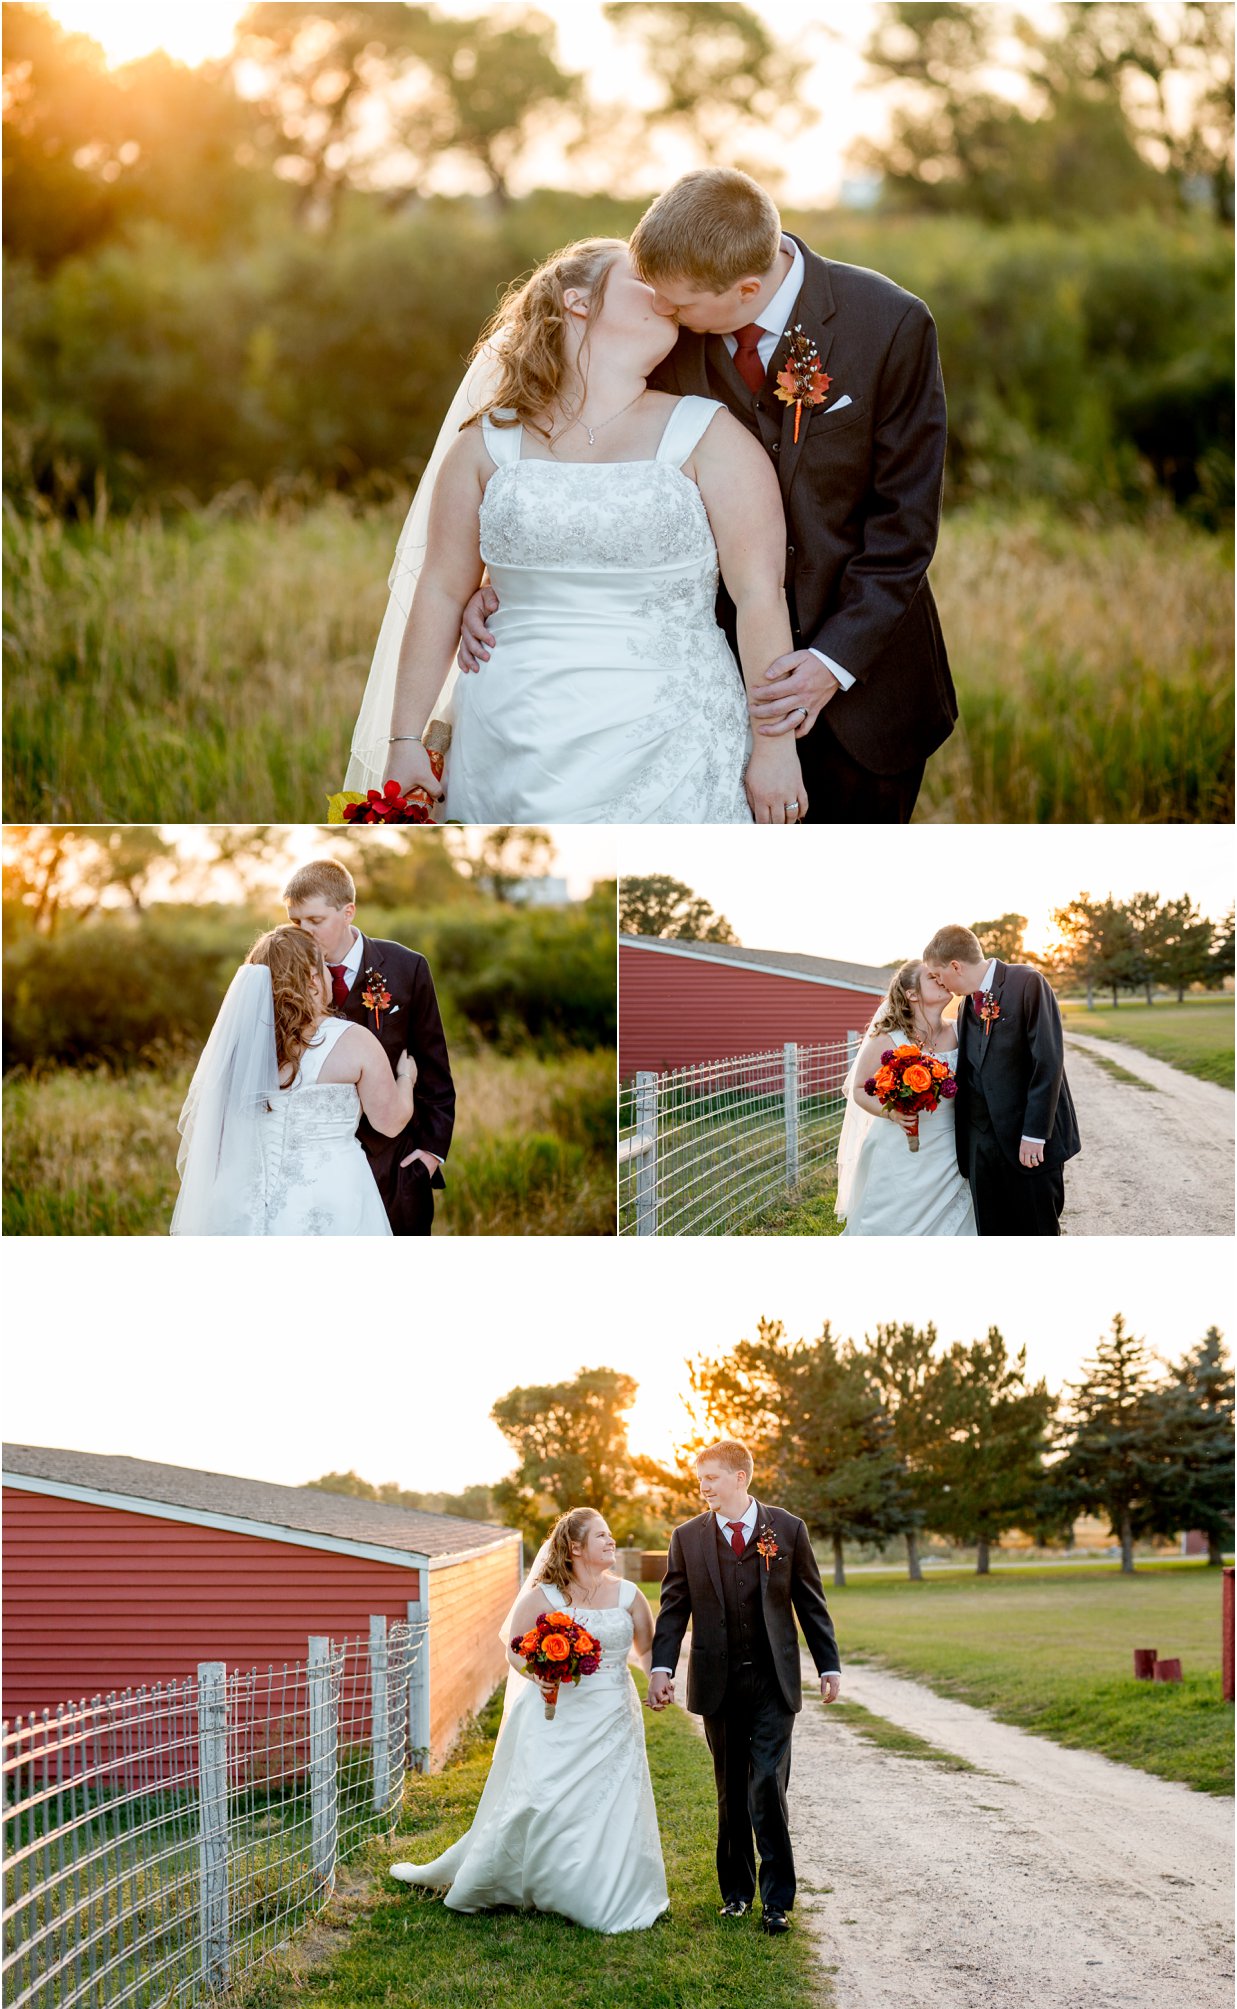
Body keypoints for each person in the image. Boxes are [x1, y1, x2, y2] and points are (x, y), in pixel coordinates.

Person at [462, 170, 956, 826]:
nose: (660, 311)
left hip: (867, 693)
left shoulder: (890, 324)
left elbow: (903, 528)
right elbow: (589, 459)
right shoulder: (666, 337)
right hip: (709, 695)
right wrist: (509, 582)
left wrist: (831, 662)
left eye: (677, 303)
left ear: (745, 290)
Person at [348, 237, 807, 826]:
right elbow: (439, 590)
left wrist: (774, 747)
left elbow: (760, 598)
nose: (664, 294)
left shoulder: (709, 435)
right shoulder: (485, 444)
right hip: (508, 733)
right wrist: (405, 739)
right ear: (579, 302)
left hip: (675, 739)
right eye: (643, 279)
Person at [389, 1509, 668, 1933]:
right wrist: (539, 1674)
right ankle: (531, 1878)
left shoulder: (630, 1595)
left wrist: (656, 1681)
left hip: (614, 1715)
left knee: (611, 1801)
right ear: (575, 1547)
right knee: (541, 1799)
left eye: (611, 1536)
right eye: (602, 1536)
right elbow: (516, 1651)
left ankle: (601, 1887)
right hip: (556, 1716)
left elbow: (646, 1652)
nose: (612, 1542)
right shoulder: (544, 1598)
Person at [648, 1443, 840, 1936]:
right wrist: (662, 1668)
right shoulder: (687, 1537)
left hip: (773, 1682)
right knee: (730, 1790)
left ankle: (777, 1901)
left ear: (740, 1477)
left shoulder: (788, 1529)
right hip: (718, 1683)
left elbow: (810, 1603)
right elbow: (673, 1609)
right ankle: (736, 1894)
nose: (703, 1486)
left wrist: (828, 1665)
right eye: (700, 1479)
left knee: (767, 1785)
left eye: (712, 1477)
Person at [170, 926, 412, 1236]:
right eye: (324, 966)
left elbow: (216, 1139)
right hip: (331, 1200)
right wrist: (405, 1077)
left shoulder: (239, 1049)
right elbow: (389, 1122)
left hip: (243, 1204)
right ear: (312, 981)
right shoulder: (354, 1041)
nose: (328, 974)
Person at [283, 859, 455, 1236]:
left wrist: (427, 1156)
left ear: (348, 913)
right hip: (316, 1176)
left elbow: (434, 1069)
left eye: (315, 920)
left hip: (395, 1167)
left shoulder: (407, 967)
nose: (304, 932)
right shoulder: (283, 974)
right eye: (296, 922)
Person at [922, 923, 1081, 1236]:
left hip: (1029, 1144)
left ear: (955, 965)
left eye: (939, 974)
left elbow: (1047, 1061)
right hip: (982, 1149)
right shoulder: (967, 1003)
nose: (940, 983)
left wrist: (1035, 1134)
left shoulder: (1028, 982)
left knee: (1036, 1230)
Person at [836, 959, 977, 1236]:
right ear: (911, 994)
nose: (940, 979)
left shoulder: (962, 1031)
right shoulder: (889, 1039)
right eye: (931, 977)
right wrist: (891, 1112)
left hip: (952, 1149)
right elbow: (858, 1089)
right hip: (901, 1150)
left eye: (940, 975)